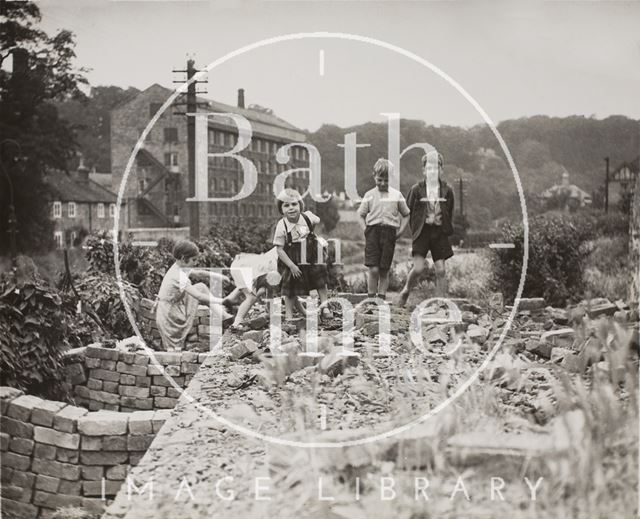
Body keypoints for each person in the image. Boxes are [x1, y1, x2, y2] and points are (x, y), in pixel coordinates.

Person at [398, 151, 454, 307]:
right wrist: (409, 230)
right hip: (422, 232)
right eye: (429, 168)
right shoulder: (416, 190)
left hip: (438, 232)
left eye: (435, 168)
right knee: (418, 268)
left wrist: (445, 227)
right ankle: (406, 291)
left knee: (441, 270)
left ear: (441, 170)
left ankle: (440, 302)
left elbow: (449, 210)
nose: (432, 171)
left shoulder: (447, 190)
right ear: (423, 170)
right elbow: (407, 211)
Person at [155, 240, 231, 351]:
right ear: (183, 258)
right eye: (193, 260)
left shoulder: (179, 266)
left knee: (201, 286)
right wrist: (223, 300)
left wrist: (218, 276)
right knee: (174, 351)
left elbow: (199, 273)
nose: (195, 263)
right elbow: (199, 296)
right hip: (168, 315)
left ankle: (224, 317)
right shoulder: (177, 275)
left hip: (174, 305)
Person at [273, 188, 331, 321]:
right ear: (281, 209)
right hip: (292, 257)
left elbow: (317, 221)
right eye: (286, 205)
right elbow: (279, 249)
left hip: (311, 253)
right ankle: (288, 313)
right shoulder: (282, 225)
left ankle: (324, 306)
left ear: (300, 205)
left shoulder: (307, 217)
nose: (291, 208)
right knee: (290, 285)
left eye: (294, 204)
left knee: (320, 277)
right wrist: (291, 265)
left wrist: (318, 240)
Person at [358, 158, 410, 300]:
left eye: (386, 180)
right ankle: (370, 299)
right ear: (374, 175)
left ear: (391, 179)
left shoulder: (397, 195)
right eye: (379, 179)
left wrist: (400, 231)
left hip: (389, 234)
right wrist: (366, 231)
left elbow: (406, 214)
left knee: (384, 270)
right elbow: (361, 215)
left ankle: (380, 300)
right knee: (373, 269)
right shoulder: (369, 195)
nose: (382, 183)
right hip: (373, 233)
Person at [223, 247, 281, 332]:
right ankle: (235, 324)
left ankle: (230, 301)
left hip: (241, 264)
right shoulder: (276, 262)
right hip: (242, 267)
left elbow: (269, 294)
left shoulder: (275, 256)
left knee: (254, 295)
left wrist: (271, 315)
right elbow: (269, 294)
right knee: (251, 298)